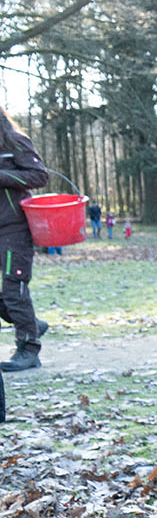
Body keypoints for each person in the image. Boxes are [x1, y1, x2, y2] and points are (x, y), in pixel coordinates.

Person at [0, 105, 50, 373]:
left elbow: (40, 175)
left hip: (14, 227)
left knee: (14, 288)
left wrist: (2, 176)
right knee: (11, 295)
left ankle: (29, 349)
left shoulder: (14, 141)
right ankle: (31, 322)